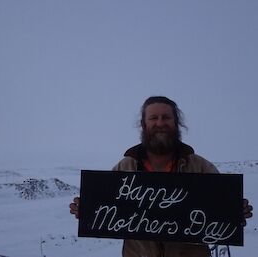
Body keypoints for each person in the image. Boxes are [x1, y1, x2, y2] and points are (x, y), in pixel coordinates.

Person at [69, 96, 253, 257]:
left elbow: (221, 212)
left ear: (175, 122)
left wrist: (235, 211)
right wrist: (86, 210)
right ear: (144, 124)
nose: (160, 123)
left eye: (166, 117)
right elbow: (105, 207)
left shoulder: (200, 166)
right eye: (153, 118)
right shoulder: (125, 167)